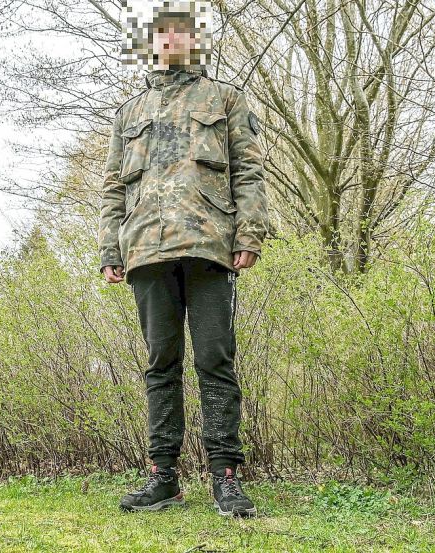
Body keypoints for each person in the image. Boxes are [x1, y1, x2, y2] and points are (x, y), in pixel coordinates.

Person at [98, 1, 268, 518]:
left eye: (179, 34)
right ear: (148, 45)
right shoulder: (128, 113)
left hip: (211, 245)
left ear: (195, 41)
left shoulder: (226, 98)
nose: (169, 42)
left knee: (216, 361)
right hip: (145, 249)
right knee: (159, 366)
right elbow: (111, 187)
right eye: (159, 35)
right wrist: (110, 246)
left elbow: (249, 172)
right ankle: (162, 478)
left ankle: (227, 476)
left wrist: (250, 233)